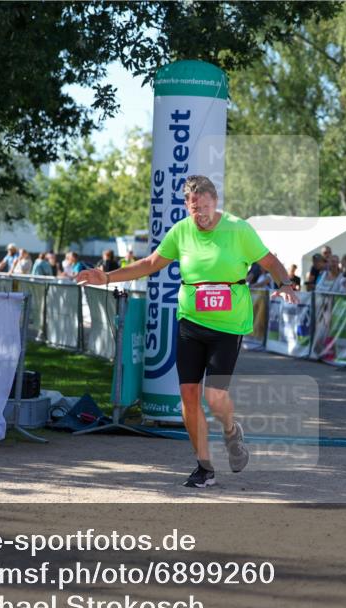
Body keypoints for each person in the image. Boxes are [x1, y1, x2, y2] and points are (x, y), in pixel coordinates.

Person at [75, 175, 298, 488]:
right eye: (194, 209)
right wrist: (108, 277)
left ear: (215, 202)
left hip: (228, 325)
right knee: (189, 397)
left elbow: (270, 261)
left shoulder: (238, 229)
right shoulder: (181, 232)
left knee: (216, 396)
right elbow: (150, 263)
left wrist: (285, 283)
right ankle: (204, 467)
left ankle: (232, 431)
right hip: (190, 322)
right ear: (187, 206)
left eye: (205, 207)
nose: (201, 215)